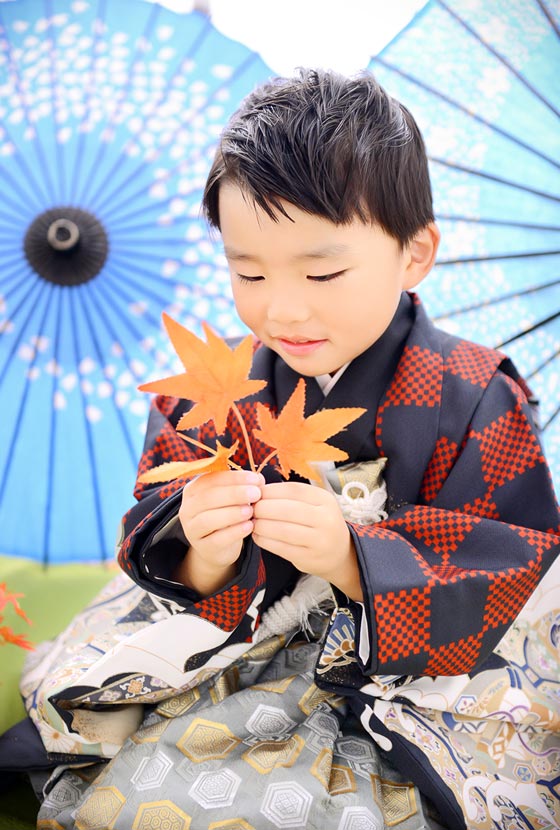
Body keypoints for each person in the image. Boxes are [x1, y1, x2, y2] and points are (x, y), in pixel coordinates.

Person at [21, 69, 560, 829]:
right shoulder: (215, 387)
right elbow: (155, 524)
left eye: (324, 270)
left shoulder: (474, 394)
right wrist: (204, 553)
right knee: (137, 799)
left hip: (408, 684)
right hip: (234, 651)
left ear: (415, 253)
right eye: (248, 271)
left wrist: (353, 558)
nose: (283, 306)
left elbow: (521, 570)